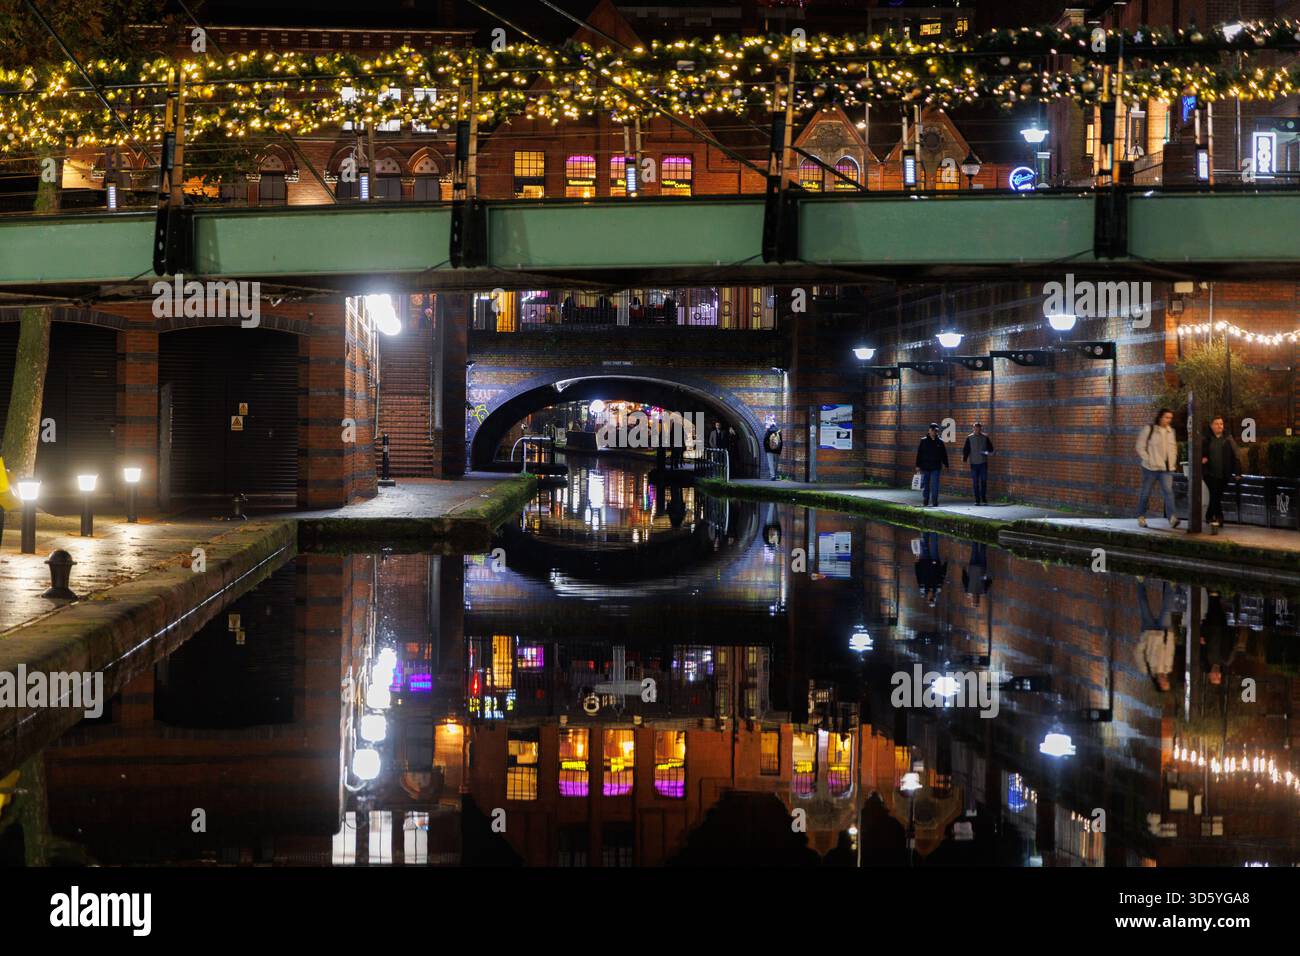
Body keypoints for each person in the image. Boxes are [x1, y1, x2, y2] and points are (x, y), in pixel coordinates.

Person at [1135, 407, 1179, 529]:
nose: (1168, 420)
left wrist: (1173, 462)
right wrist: (1148, 460)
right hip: (1150, 468)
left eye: (1170, 418)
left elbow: (1173, 448)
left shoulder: (1171, 432)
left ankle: (1172, 518)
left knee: (1169, 492)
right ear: (1160, 417)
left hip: (1166, 469)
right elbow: (1139, 446)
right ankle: (1141, 517)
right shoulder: (1149, 429)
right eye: (1166, 417)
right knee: (1146, 492)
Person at [1201, 415, 1240, 534]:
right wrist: (1203, 458)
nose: (1220, 426)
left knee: (1216, 495)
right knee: (1214, 493)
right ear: (1211, 425)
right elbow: (1200, 452)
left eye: (1221, 424)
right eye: (1217, 424)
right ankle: (1219, 518)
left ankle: (1208, 515)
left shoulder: (1228, 438)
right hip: (1209, 473)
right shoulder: (1206, 439)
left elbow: (1236, 455)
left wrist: (1238, 472)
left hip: (1224, 473)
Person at [914, 422, 949, 507]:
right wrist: (917, 465)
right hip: (925, 467)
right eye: (933, 430)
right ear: (929, 430)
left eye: (936, 431)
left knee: (935, 485)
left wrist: (946, 465)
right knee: (926, 485)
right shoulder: (923, 441)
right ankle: (925, 500)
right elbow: (919, 454)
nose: (934, 432)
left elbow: (944, 454)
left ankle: (934, 501)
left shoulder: (940, 442)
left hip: (936, 467)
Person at [961, 421, 995, 505]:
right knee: (975, 482)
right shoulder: (969, 438)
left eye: (978, 429)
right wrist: (965, 459)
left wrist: (986, 452)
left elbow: (991, 448)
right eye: (975, 429)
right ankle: (977, 500)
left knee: (983, 481)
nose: (977, 430)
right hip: (973, 463)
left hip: (983, 463)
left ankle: (983, 498)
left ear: (981, 429)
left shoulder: (985, 437)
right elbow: (966, 449)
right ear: (973, 429)